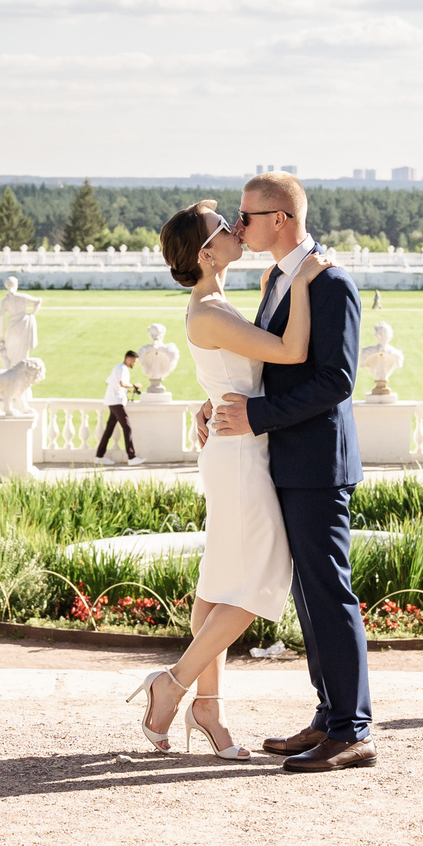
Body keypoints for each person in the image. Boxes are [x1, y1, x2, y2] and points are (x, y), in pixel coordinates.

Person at [128, 194, 335, 761]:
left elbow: (232, 374)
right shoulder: (210, 310)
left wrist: (210, 398)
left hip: (237, 449)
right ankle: (172, 685)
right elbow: (292, 352)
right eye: (224, 226)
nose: (236, 228)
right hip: (241, 458)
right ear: (207, 253)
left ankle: (209, 709)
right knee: (256, 585)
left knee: (219, 584)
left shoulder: (213, 304)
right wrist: (301, 280)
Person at [191, 173, 373, 773]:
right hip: (283, 461)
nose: (239, 226)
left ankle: (352, 731)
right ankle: (329, 716)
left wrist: (256, 416)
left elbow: (336, 380)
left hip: (318, 465)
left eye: (246, 216)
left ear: (281, 220)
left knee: (329, 592)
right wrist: (214, 403)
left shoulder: (332, 282)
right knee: (307, 595)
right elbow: (263, 365)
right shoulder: (277, 279)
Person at [97, 349, 144, 464]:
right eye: (134, 361)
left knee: (109, 430)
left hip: (112, 401)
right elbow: (122, 383)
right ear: (128, 359)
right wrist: (134, 385)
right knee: (127, 428)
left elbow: (108, 382)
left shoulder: (117, 367)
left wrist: (124, 391)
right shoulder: (123, 369)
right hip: (117, 402)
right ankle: (131, 457)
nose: (135, 364)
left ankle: (99, 456)